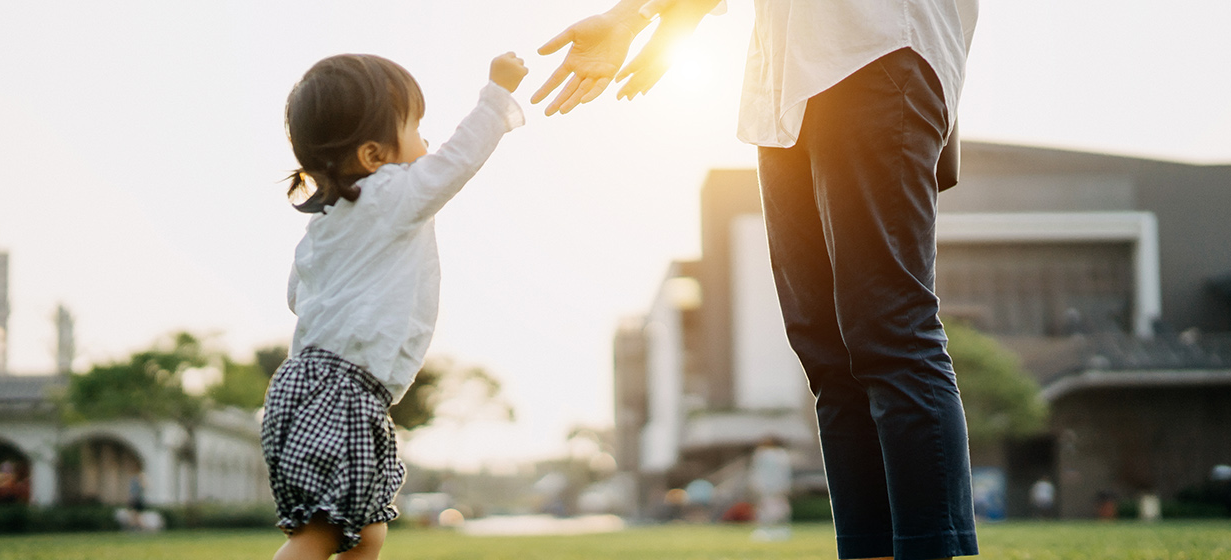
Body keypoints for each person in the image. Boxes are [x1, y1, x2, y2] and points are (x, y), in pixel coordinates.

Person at [533, 1, 979, 559]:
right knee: (828, 354)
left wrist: (632, 17)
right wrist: (675, 21)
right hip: (785, 88)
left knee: (889, 331)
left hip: (877, 49)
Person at [263, 52, 529, 560]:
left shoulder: (323, 227)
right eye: (417, 129)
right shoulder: (389, 194)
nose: (428, 145)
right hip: (342, 391)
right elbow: (457, 160)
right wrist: (496, 94)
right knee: (319, 535)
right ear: (372, 155)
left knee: (368, 530)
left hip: (311, 388)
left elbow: (299, 297)